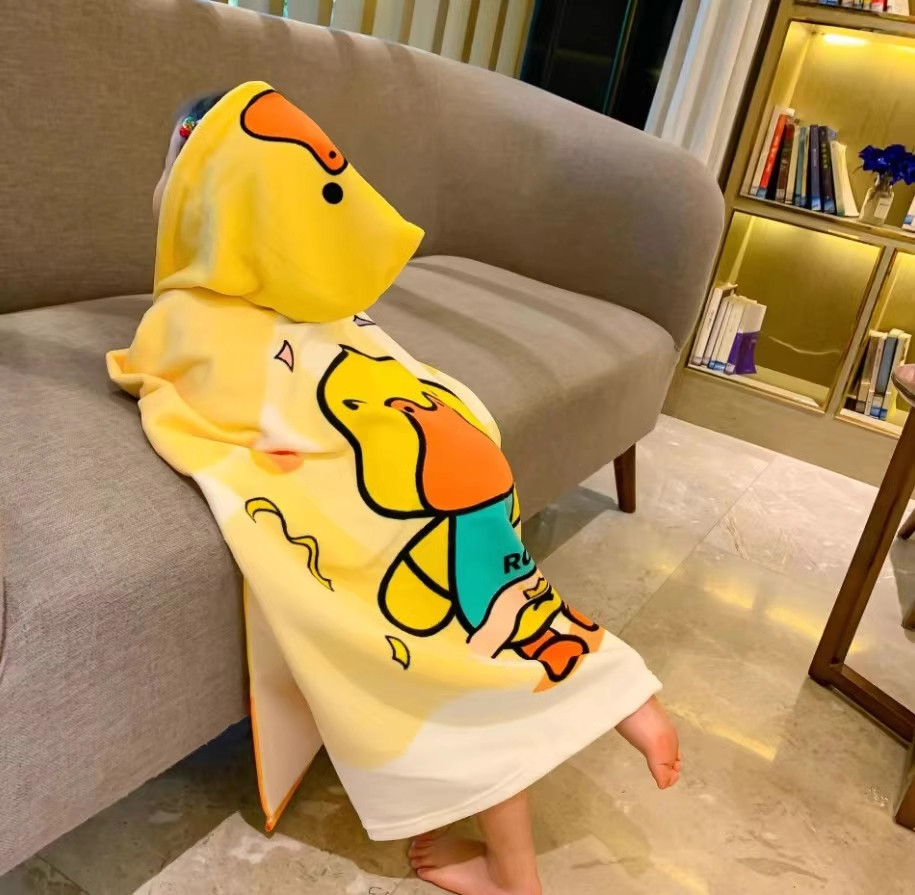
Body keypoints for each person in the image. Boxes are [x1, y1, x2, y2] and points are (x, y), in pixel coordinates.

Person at [119, 83, 681, 895]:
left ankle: (516, 873)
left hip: (401, 491)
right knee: (505, 610)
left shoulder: (192, 312)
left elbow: (190, 390)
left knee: (455, 659)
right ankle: (616, 686)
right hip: (457, 458)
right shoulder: (319, 294)